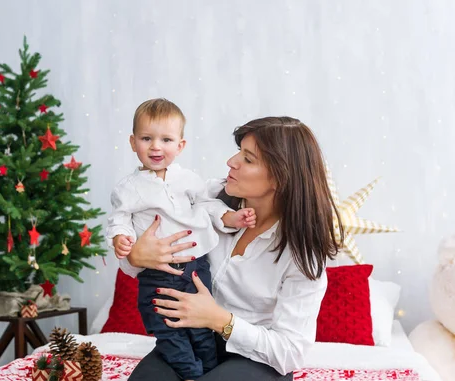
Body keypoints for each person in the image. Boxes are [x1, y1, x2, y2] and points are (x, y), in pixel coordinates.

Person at [120, 116, 344, 381]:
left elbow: (290, 352)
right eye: (238, 152)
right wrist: (134, 257)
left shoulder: (301, 255)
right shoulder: (207, 199)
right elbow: (135, 261)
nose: (231, 162)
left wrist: (219, 319)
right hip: (189, 338)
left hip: (254, 357)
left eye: (248, 159)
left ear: (280, 178)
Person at [106, 98, 256, 381]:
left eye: (166, 139)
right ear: (132, 142)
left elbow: (209, 206)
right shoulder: (127, 188)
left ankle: (208, 372)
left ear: (180, 146)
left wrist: (232, 219)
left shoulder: (188, 180)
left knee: (201, 331)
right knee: (168, 330)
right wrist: (122, 238)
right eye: (146, 138)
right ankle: (190, 374)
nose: (156, 147)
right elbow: (119, 218)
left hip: (196, 268)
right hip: (156, 275)